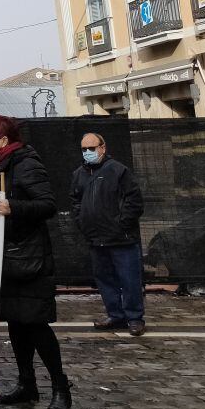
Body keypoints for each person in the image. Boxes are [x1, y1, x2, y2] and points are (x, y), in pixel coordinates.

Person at [0, 116, 71, 409]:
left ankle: (60, 387)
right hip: (4, 259)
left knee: (36, 325)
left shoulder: (25, 164)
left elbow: (47, 204)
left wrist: (14, 207)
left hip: (30, 259)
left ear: (3, 140)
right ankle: (26, 382)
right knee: (16, 324)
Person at [70, 132, 145, 336]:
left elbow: (134, 200)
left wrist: (121, 224)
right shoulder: (79, 174)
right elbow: (75, 201)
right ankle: (116, 315)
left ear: (102, 148)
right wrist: (83, 222)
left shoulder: (118, 170)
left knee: (129, 279)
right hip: (95, 238)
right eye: (84, 149)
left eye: (91, 148)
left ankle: (134, 318)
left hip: (121, 238)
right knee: (105, 280)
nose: (87, 152)